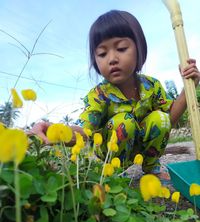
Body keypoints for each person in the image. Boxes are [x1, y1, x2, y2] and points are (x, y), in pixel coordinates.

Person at [30, 10, 200, 177]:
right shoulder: (98, 95)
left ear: (139, 49)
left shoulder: (152, 85)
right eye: (102, 53)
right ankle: (114, 173)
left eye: (121, 48)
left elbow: (170, 118)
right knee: (124, 122)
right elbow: (85, 131)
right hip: (110, 151)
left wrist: (189, 86)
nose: (112, 58)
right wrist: (55, 131)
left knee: (160, 118)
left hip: (142, 147)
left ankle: (151, 168)